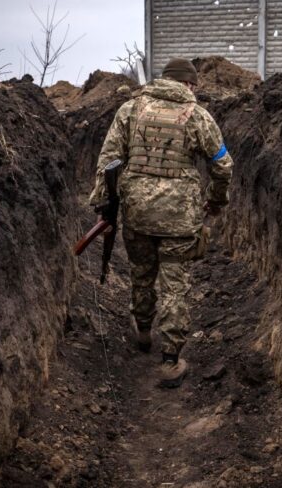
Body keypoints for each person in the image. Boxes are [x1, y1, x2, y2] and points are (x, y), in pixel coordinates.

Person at [89, 58, 233, 388]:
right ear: (189, 85)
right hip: (180, 218)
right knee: (174, 284)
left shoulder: (130, 109)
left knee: (142, 272)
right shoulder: (198, 116)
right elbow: (223, 165)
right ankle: (170, 361)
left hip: (137, 211)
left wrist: (103, 203)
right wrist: (216, 199)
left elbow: (108, 160)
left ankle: (142, 330)